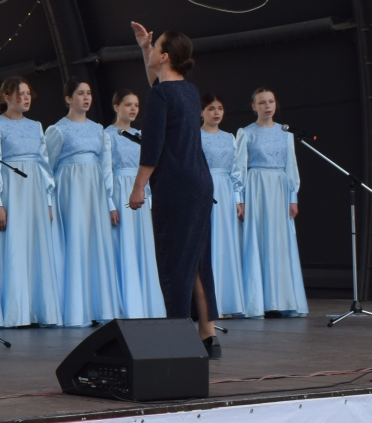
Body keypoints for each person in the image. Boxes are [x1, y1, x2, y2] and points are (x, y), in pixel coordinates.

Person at [124, 24, 219, 352]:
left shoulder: (161, 95)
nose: (151, 50)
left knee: (175, 262)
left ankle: (179, 337)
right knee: (197, 259)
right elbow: (159, 84)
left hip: (176, 186)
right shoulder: (188, 91)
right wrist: (143, 47)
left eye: (155, 47)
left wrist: (138, 188)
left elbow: (152, 147)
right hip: (200, 182)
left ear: (164, 57)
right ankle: (208, 335)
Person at [0, 77, 60, 326]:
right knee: (13, 247)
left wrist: (48, 201)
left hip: (34, 193)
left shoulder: (36, 126)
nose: (26, 98)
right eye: (20, 94)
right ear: (7, 97)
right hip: (11, 193)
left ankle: (38, 310)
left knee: (36, 247)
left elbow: (44, 165)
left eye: (28, 94)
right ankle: (16, 312)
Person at [46, 79, 118, 328]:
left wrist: (110, 202)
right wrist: (48, 201)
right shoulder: (58, 130)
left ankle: (100, 306)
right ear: (68, 99)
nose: (86, 98)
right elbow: (48, 168)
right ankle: (76, 310)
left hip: (95, 191)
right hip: (70, 190)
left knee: (96, 244)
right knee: (75, 242)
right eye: (80, 93)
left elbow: (106, 168)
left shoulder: (99, 130)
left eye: (88, 93)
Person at [235, 86, 307, 317]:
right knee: (257, 240)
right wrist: (239, 199)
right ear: (254, 106)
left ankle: (282, 301)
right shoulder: (246, 132)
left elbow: (291, 167)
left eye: (271, 101)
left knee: (280, 242)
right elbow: (239, 168)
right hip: (256, 188)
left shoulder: (286, 133)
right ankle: (258, 303)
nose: (267, 106)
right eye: (262, 102)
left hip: (279, 188)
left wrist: (293, 197)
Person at [103, 90, 166, 320]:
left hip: (141, 193)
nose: (133, 109)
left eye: (136, 105)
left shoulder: (141, 135)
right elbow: (105, 171)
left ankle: (147, 306)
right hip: (120, 191)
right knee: (124, 246)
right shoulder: (107, 135)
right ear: (116, 107)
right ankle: (128, 306)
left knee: (143, 246)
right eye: (128, 104)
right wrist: (110, 203)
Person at [200, 94, 258, 318]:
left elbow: (236, 171)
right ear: (201, 112)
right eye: (211, 108)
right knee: (209, 243)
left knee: (226, 243)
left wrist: (238, 199)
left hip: (225, 191)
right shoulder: (195, 136)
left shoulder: (229, 137)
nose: (216, 112)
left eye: (220, 108)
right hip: (205, 189)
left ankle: (228, 302)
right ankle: (210, 303)